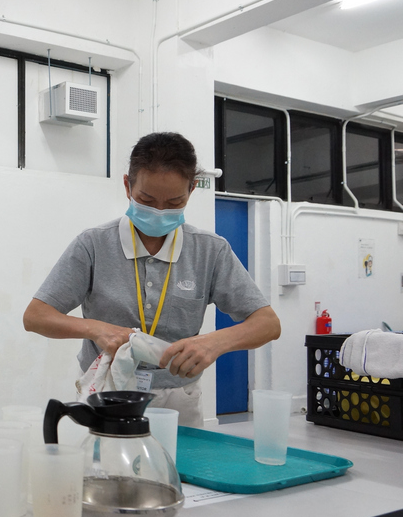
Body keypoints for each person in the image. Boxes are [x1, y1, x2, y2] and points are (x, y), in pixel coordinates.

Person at [23, 131, 280, 427]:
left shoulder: (210, 250)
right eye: (146, 199)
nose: (159, 212)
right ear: (127, 186)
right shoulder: (93, 245)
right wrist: (95, 329)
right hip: (109, 392)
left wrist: (214, 343)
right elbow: (36, 317)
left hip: (177, 398)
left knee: (179, 470)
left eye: (174, 202)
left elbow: (268, 324)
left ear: (192, 190)